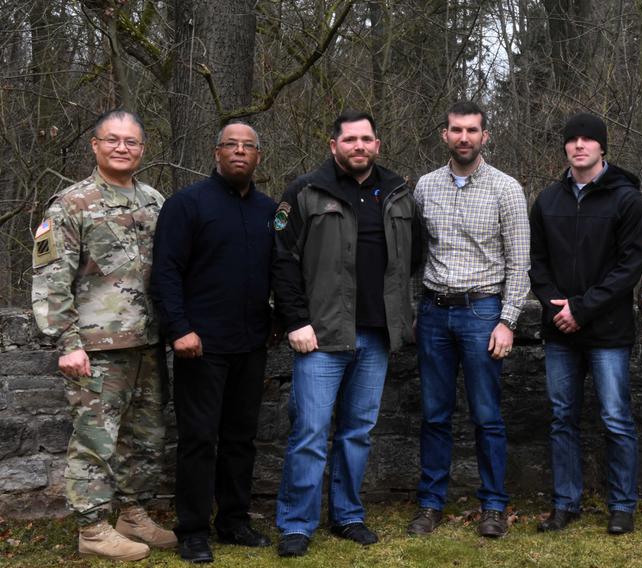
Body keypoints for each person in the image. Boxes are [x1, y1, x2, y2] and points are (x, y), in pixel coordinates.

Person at [271, 111, 420, 557]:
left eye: (367, 139)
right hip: (321, 336)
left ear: (377, 144)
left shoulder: (397, 193)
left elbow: (415, 256)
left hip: (376, 336)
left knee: (358, 431)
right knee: (311, 431)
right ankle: (297, 523)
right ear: (333, 144)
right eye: (350, 139)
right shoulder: (305, 192)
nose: (359, 146)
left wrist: (396, 310)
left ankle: (348, 515)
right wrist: (295, 320)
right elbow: (280, 260)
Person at [31, 110, 176, 561]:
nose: (121, 148)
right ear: (94, 145)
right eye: (111, 140)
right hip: (96, 348)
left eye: (131, 142)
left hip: (148, 342)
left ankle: (133, 513)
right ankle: (92, 529)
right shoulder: (71, 203)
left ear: (143, 150)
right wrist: (67, 342)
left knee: (145, 437)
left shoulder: (155, 202)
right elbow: (51, 278)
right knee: (95, 440)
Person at [151, 122, 276, 563]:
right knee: (199, 439)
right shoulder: (187, 204)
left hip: (251, 342)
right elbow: (165, 272)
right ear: (216, 152)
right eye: (231, 145)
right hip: (199, 345)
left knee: (241, 437)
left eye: (249, 146)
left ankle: (234, 521)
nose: (240, 152)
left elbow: (279, 271)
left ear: (259, 156)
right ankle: (192, 529)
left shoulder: (269, 210)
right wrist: (179, 329)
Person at [407, 101, 530, 539]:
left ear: (485, 136)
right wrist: (415, 311)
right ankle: (429, 503)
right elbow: (412, 256)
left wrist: (508, 320)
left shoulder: (506, 189)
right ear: (445, 134)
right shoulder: (424, 187)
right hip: (435, 313)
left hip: (483, 312)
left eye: (472, 130)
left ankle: (493, 505)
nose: (464, 137)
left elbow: (519, 263)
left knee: (487, 416)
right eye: (456, 129)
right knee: (435, 415)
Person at [529, 112, 642, 535]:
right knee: (563, 417)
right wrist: (555, 306)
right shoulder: (547, 201)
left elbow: (629, 267)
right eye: (572, 139)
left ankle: (622, 506)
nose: (579, 145)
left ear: (602, 147)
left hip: (608, 332)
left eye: (588, 139)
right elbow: (537, 264)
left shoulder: (627, 200)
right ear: (565, 147)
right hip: (559, 331)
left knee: (616, 417)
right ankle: (565, 503)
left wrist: (582, 308)